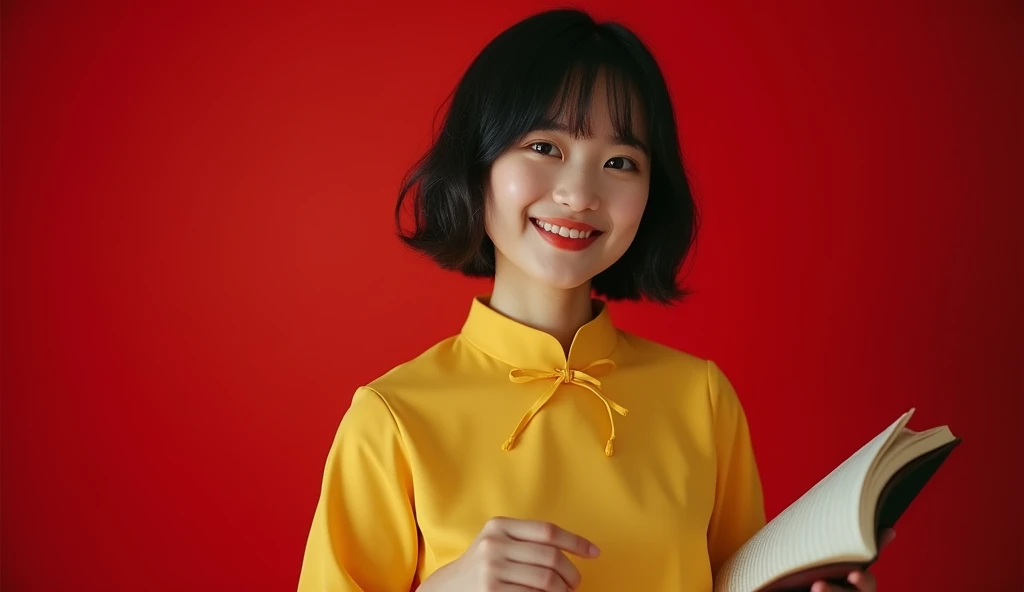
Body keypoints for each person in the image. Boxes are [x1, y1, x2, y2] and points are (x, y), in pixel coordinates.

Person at [297, 9, 893, 592]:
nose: (579, 193)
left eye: (619, 162)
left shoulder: (702, 399)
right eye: (544, 147)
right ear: (479, 162)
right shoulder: (392, 417)